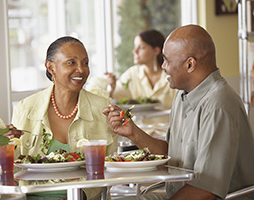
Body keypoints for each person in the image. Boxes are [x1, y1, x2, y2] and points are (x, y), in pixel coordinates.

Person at [102, 25, 254, 200]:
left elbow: (206, 190)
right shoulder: (183, 94)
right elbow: (172, 157)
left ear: (190, 64)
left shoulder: (219, 104)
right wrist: (133, 132)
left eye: (167, 60)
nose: (163, 66)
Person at [11, 36, 118, 200]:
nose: (81, 70)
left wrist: (80, 195)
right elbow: (14, 169)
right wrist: (6, 145)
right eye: (71, 63)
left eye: (85, 63)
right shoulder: (25, 108)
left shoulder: (101, 107)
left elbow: (110, 167)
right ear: (51, 67)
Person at [105, 29, 176, 109]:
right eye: (135, 47)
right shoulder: (131, 74)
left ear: (156, 50)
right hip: (137, 122)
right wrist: (112, 87)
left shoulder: (172, 76)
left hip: (168, 121)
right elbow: (113, 98)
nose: (135, 51)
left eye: (141, 47)